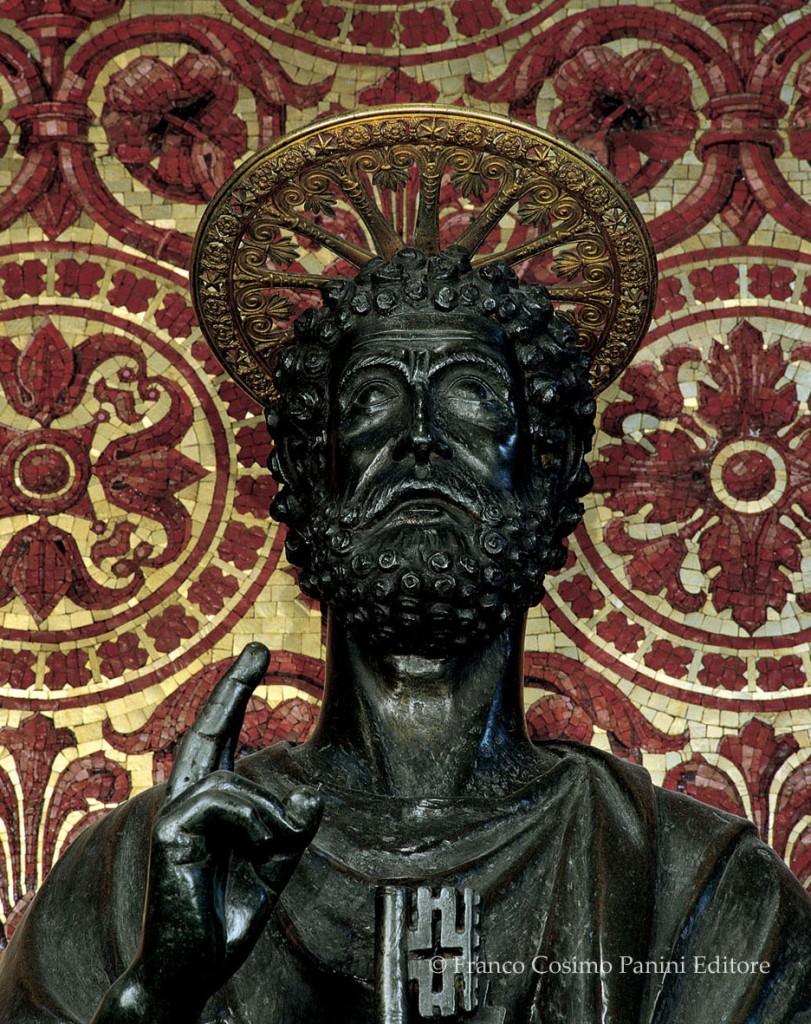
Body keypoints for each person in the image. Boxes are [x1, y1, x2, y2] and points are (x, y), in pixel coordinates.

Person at [0, 247, 810, 1024]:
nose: (419, 436)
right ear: (309, 474)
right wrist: (157, 993)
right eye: (371, 400)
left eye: (472, 395)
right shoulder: (134, 875)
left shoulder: (701, 888)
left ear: (549, 465)